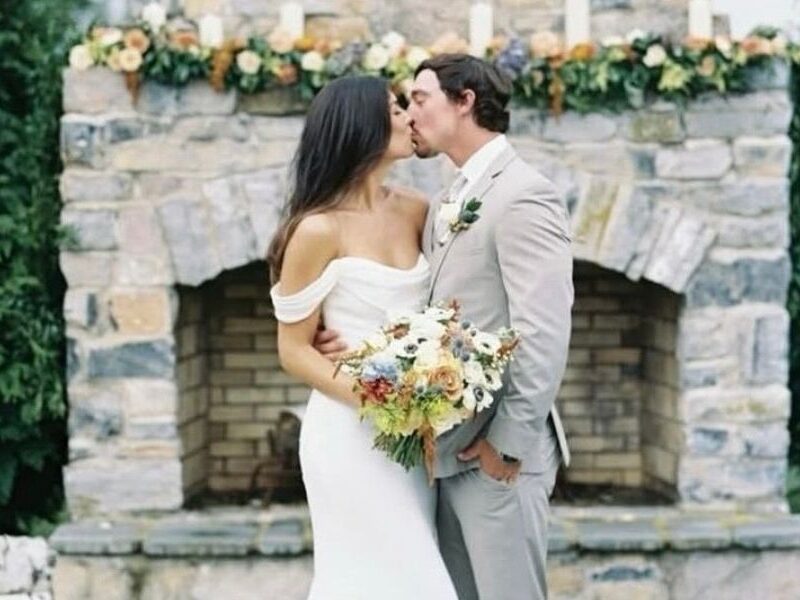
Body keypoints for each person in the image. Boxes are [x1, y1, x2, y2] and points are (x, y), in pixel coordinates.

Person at [313, 54, 574, 600]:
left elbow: (542, 334)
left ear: (465, 102)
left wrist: (506, 445)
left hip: (497, 453)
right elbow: (426, 307)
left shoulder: (523, 194)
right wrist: (349, 339)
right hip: (448, 451)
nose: (410, 114)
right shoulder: (448, 197)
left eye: (421, 98)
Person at [267, 76, 458, 600]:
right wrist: (381, 401)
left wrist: (424, 401)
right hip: (349, 435)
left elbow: (442, 311)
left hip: (413, 439)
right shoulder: (317, 230)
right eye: (396, 108)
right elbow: (294, 348)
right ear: (360, 126)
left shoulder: (418, 209)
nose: (407, 116)